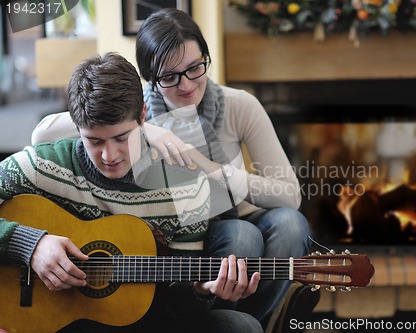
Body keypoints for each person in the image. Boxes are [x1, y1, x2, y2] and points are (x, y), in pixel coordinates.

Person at [31, 8, 314, 330]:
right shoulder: (137, 112)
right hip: (189, 224)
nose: (186, 84)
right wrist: (145, 128)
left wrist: (206, 165)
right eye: (169, 77)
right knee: (242, 236)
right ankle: (215, 313)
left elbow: (290, 195)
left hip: (239, 211)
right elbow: (42, 134)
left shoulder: (240, 105)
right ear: (149, 78)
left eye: (195, 68)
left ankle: (263, 321)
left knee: (290, 224)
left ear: (206, 58)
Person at [1, 52, 264, 333]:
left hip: (143, 320)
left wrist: (201, 290)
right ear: (76, 128)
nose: (109, 155)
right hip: (57, 320)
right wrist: (31, 245)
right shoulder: (39, 165)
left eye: (121, 137)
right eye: (94, 140)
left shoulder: (186, 185)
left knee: (241, 326)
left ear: (142, 117)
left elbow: (176, 306)